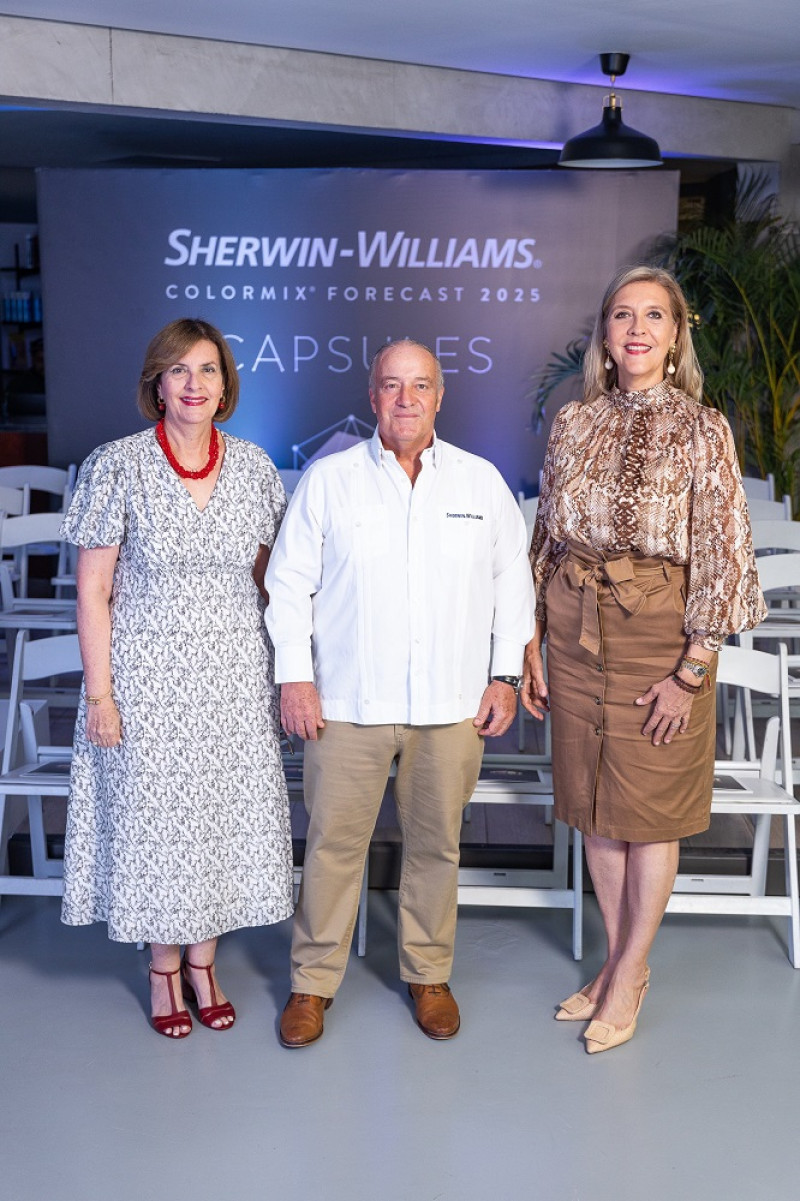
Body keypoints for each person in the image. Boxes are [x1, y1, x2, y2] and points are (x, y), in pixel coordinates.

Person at [522, 265, 766, 1054]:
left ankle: (628, 974)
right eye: (621, 315)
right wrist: (530, 638)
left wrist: (692, 669)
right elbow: (546, 537)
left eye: (652, 316)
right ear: (604, 333)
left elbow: (725, 552)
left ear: (674, 334)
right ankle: (617, 959)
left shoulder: (704, 428)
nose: (635, 328)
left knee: (650, 806)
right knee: (596, 803)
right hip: (575, 620)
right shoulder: (572, 420)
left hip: (661, 627)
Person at [265, 338, 535, 1046]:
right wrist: (295, 673)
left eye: (420, 385)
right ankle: (311, 984)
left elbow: (515, 585)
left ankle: (428, 974)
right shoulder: (330, 481)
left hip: (449, 706)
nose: (406, 398)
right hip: (347, 704)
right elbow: (288, 582)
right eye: (392, 385)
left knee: (435, 846)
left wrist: (504, 674)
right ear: (372, 396)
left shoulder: (481, 483)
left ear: (441, 397)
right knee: (329, 848)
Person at [60, 317, 293, 1038]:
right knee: (156, 823)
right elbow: (92, 589)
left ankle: (205, 961)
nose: (195, 384)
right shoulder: (117, 464)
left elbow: (271, 581)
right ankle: (163, 968)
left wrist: (292, 667)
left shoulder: (254, 465)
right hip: (145, 680)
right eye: (180, 370)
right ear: (156, 384)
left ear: (227, 384)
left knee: (218, 819)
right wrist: (100, 693)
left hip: (233, 679)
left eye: (209, 370)